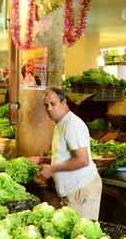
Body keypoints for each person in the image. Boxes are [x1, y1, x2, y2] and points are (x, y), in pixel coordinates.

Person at [27, 86, 102, 219]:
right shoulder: (60, 125)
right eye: (46, 105)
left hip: (82, 190)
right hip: (71, 191)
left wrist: (52, 169)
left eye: (53, 104)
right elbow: (64, 158)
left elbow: (83, 160)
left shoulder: (72, 125)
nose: (49, 108)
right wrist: (41, 159)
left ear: (64, 102)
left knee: (81, 235)